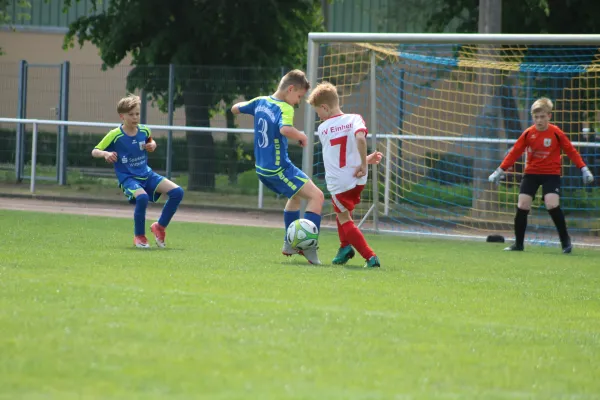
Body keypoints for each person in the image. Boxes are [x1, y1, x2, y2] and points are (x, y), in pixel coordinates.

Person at [231, 70, 324, 265]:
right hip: (278, 169)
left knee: (296, 195)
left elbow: (235, 108)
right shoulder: (285, 108)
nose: (297, 102)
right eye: (298, 96)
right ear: (290, 89)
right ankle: (309, 248)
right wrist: (301, 135)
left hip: (262, 169)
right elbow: (284, 129)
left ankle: (289, 244)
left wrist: (247, 109)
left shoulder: (260, 101)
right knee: (317, 196)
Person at [488, 97, 594, 253]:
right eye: (536, 117)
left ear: (549, 116)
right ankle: (518, 244)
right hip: (531, 173)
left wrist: (584, 168)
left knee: (552, 204)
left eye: (542, 117)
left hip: (551, 174)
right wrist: (499, 171)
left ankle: (566, 242)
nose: (539, 120)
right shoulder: (528, 134)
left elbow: (571, 151)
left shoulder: (556, 133)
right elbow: (515, 152)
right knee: (523, 205)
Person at [92, 94, 185, 249]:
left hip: (147, 174)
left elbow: (150, 141)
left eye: (137, 114)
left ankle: (160, 227)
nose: (135, 117)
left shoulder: (144, 131)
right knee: (142, 198)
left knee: (178, 192)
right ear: (122, 116)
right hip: (128, 178)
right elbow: (95, 151)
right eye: (131, 114)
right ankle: (140, 237)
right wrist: (106, 154)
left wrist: (152, 145)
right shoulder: (115, 135)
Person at [307, 81, 383, 268]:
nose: (319, 117)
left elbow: (337, 155)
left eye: (318, 113)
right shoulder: (355, 118)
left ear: (324, 107)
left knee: (344, 219)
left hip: (339, 182)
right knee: (342, 212)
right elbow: (359, 139)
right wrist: (365, 162)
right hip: (358, 178)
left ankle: (370, 257)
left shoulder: (323, 129)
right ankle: (344, 248)